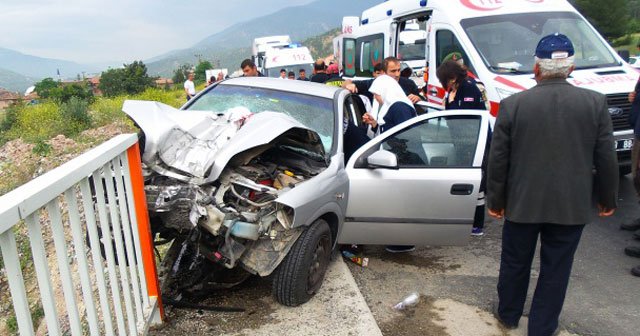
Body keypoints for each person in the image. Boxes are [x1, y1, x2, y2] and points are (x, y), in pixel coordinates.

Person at [487, 33, 618, 335]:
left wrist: (496, 200)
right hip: (570, 206)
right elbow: (606, 158)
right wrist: (607, 198)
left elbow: (498, 160)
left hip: (522, 203)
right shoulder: (595, 103)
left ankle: (508, 315)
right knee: (556, 269)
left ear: (536, 69)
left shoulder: (513, 104)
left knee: (515, 262)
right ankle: (542, 327)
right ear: (571, 68)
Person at [362, 74, 417, 253]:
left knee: (403, 205)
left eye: (377, 94)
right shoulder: (393, 105)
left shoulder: (399, 107)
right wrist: (376, 124)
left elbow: (404, 136)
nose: (376, 98)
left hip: (403, 161)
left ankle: (404, 241)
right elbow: (390, 130)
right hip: (397, 159)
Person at [436, 59, 488, 236]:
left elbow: (464, 117)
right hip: (461, 141)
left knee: (477, 184)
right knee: (468, 183)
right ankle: (468, 218)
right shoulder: (454, 89)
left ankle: (478, 223)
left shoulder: (469, 88)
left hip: (473, 142)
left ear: (452, 77)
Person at [342, 57, 422, 105]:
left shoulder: (409, 84)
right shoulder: (373, 84)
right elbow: (346, 82)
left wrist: (418, 98)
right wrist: (349, 85)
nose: (397, 74)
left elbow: (423, 104)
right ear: (384, 72)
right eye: (393, 71)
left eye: (398, 70)